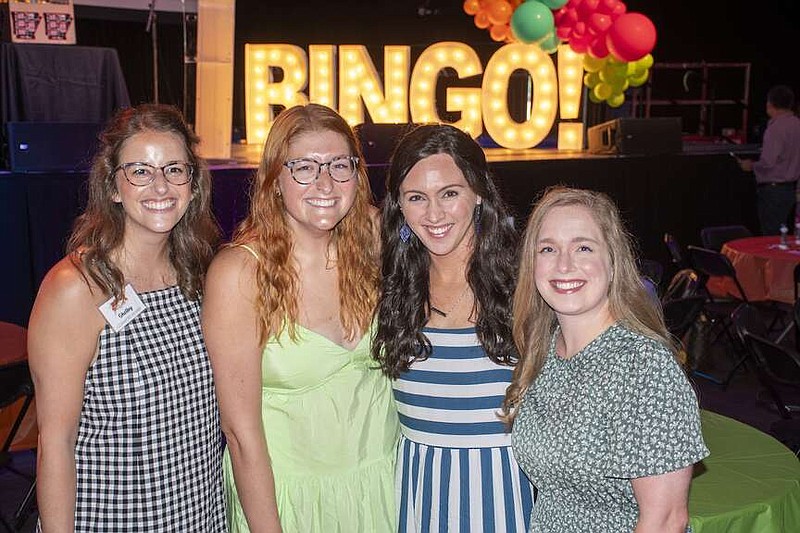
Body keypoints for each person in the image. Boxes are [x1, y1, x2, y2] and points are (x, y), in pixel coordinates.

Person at [28, 104, 225, 531]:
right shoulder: (77, 287)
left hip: (200, 515)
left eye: (175, 169)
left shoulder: (201, 274)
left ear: (193, 184)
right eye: (140, 171)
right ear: (113, 187)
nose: (161, 186)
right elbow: (55, 444)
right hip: (113, 518)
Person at [202, 103, 399, 532]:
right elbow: (239, 433)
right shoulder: (240, 274)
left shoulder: (378, 245)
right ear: (275, 180)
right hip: (289, 502)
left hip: (386, 486)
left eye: (338, 166)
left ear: (356, 174)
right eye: (304, 167)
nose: (325, 183)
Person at [504, 186, 709, 532]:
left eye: (583, 247)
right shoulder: (545, 349)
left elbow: (666, 521)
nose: (564, 264)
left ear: (613, 263)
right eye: (548, 249)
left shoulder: (643, 368)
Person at [372, 124, 534, 531]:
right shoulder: (385, 291)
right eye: (416, 198)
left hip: (509, 504)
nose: (434, 214)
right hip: (417, 503)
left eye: (449, 193)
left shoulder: (527, 285)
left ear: (478, 193)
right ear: (400, 207)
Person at [738, 85, 800, 235]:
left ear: (769, 104)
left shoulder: (775, 128)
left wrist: (750, 166)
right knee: (785, 236)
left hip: (773, 190)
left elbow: (768, 161)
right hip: (791, 189)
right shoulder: (797, 124)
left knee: (770, 237)